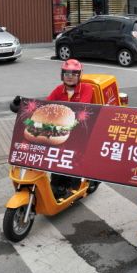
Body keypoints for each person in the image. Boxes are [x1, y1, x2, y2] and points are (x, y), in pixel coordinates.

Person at [10, 59, 94, 197]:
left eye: (74, 73)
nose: (70, 76)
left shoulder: (86, 89)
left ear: (80, 75)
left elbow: (81, 109)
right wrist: (23, 106)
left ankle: (75, 185)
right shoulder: (58, 90)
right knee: (53, 153)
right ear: (62, 75)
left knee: (73, 153)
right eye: (66, 73)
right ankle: (56, 183)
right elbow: (45, 107)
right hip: (59, 130)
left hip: (79, 129)